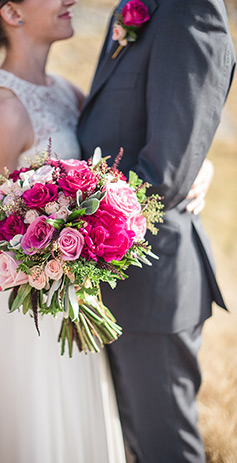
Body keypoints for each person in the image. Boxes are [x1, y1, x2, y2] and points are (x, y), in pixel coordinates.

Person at [0, 0, 127, 462]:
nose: (69, 0)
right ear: (12, 14)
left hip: (77, 301)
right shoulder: (1, 108)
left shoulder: (66, 91)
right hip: (33, 323)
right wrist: (60, 252)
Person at [78, 0, 236, 462]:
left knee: (165, 447)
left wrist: (66, 239)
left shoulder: (190, 10)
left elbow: (165, 172)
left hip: (153, 282)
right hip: (115, 277)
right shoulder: (134, 8)